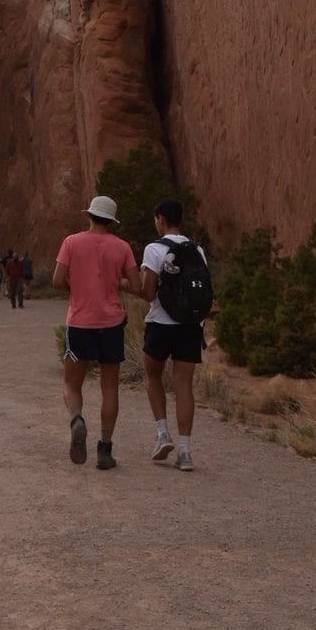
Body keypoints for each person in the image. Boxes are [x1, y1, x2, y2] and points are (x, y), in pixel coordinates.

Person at [53, 196, 141, 469]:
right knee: (110, 388)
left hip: (80, 322)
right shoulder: (122, 247)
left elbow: (57, 281)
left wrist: (79, 288)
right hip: (111, 323)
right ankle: (105, 450)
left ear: (90, 215)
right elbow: (136, 286)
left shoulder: (71, 242)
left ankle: (77, 420)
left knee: (71, 384)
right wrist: (115, 283)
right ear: (111, 220)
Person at [140, 199, 209, 472]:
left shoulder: (154, 249)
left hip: (161, 322)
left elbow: (147, 292)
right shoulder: (198, 250)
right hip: (191, 325)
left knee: (152, 374)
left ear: (160, 219)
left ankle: (162, 434)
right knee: (184, 385)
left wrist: (123, 283)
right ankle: (185, 451)